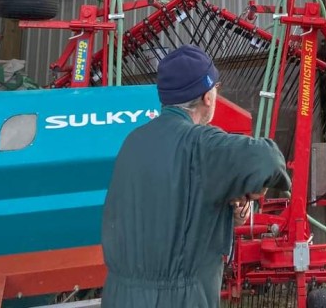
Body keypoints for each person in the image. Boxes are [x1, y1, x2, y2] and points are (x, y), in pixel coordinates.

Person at [102, 43, 291, 308]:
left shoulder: (133, 142)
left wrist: (231, 203)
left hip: (119, 296)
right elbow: (268, 159)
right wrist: (253, 187)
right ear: (208, 97)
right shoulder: (200, 143)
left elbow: (173, 214)